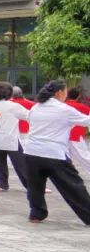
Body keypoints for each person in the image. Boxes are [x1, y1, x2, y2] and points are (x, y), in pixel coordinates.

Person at [23, 80, 90, 224]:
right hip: (53, 154)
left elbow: (30, 120)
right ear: (59, 92)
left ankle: (36, 214)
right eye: (65, 91)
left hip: (31, 152)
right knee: (74, 186)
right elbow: (87, 121)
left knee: (35, 186)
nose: (66, 95)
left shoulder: (36, 107)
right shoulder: (64, 109)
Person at [0, 81, 31, 192]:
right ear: (10, 93)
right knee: (21, 164)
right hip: (11, 138)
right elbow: (28, 116)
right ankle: (31, 185)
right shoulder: (14, 106)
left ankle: (1, 184)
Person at [64, 86, 90, 176]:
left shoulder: (62, 105)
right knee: (85, 157)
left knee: (65, 158)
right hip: (75, 136)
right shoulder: (82, 107)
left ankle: (68, 176)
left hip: (61, 137)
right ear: (78, 95)